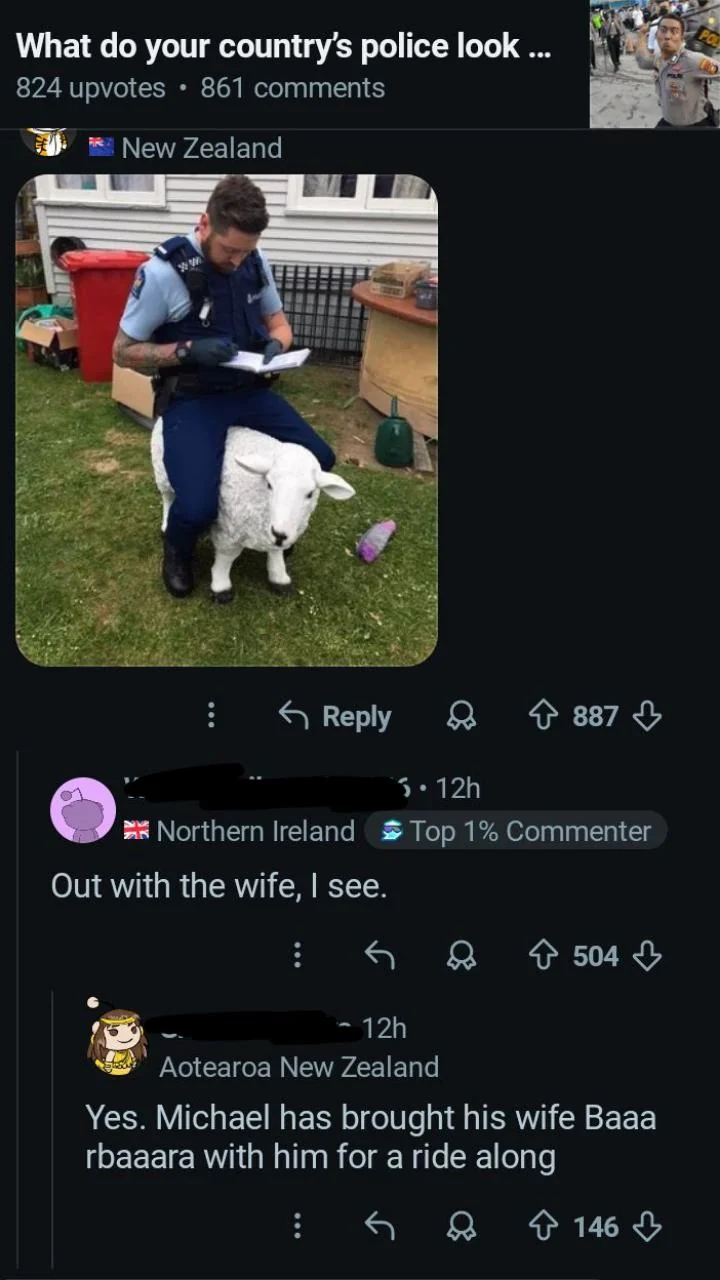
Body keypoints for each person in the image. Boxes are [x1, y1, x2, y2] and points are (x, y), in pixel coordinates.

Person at [112, 175, 336, 598]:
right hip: (192, 398)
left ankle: (275, 524)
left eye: (245, 250)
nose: (237, 260)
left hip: (247, 390)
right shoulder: (162, 274)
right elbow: (122, 352)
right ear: (204, 224)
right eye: (229, 250)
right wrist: (186, 350)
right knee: (197, 507)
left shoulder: (254, 259)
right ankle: (177, 550)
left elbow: (280, 325)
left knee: (320, 458)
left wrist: (276, 345)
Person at [636, 11, 720, 123]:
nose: (667, 36)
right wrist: (641, 35)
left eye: (674, 31)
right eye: (663, 30)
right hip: (669, 122)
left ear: (682, 38)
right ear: (656, 35)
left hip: (696, 125)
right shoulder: (658, 59)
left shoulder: (693, 60)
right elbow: (642, 61)